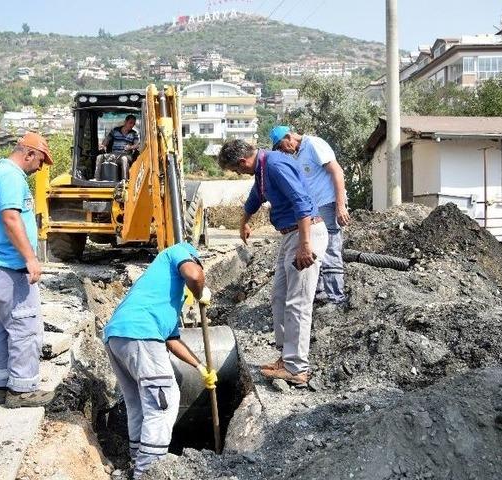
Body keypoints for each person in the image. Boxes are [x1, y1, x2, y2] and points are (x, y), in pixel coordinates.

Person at [217, 139, 329, 385]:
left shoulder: (276, 165)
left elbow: (301, 201)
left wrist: (305, 244)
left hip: (305, 233)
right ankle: (286, 356)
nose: (239, 173)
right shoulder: (262, 169)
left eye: (237, 170)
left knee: (298, 302)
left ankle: (297, 368)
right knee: (279, 296)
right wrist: (244, 220)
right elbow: (255, 196)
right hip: (290, 235)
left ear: (242, 161)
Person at [103, 242, 217, 478]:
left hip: (118, 337)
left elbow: (172, 340)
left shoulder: (163, 298)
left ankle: (137, 462)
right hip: (141, 334)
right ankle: (149, 471)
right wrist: (199, 292)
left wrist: (201, 367)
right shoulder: (178, 251)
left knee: (138, 405)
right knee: (163, 402)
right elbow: (195, 275)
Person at [0, 132, 52, 408]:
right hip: (8, 267)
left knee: (0, 329)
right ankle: (22, 391)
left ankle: (4, 386)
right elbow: (10, 217)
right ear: (29, 154)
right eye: (40, 161)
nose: (40, 168)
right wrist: (30, 258)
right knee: (24, 325)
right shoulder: (11, 177)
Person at [270, 126, 350, 305]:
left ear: (289, 137)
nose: (282, 151)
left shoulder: (314, 144)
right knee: (315, 250)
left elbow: (337, 171)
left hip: (328, 204)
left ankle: (335, 297)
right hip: (313, 211)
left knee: (331, 249)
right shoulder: (296, 155)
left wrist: (340, 205)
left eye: (281, 146)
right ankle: (320, 293)